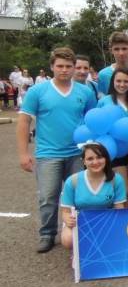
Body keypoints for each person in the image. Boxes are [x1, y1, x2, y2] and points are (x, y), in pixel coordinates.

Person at [17, 47, 97, 253]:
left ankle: (80, 231)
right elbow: (24, 121)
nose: (64, 70)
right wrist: (23, 153)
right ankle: (47, 234)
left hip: (78, 153)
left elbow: (93, 121)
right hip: (48, 154)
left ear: (74, 68)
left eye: (68, 66)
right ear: (52, 66)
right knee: (48, 196)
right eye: (60, 66)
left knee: (80, 195)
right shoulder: (37, 91)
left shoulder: (85, 92)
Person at [60, 143, 127, 250]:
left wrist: (120, 227)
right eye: (90, 159)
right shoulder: (73, 180)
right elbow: (65, 211)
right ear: (84, 161)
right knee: (68, 239)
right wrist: (68, 220)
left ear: (106, 159)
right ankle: (77, 253)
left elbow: (119, 209)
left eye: (99, 157)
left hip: (106, 220)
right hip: (80, 221)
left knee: (122, 236)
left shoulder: (116, 179)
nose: (95, 162)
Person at [98, 68, 128, 208]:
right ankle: (119, 217)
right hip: (115, 147)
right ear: (113, 82)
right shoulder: (104, 101)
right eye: (118, 81)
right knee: (123, 188)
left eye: (126, 81)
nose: (122, 84)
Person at [97, 31, 128, 96]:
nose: (121, 53)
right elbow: (103, 98)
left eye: (124, 49)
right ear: (111, 51)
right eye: (116, 49)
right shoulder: (103, 74)